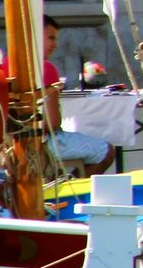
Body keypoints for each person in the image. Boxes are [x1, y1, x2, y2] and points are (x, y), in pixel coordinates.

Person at [38, 19, 115, 176]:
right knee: (106, 151)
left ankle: (64, 185)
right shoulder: (46, 69)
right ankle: (72, 193)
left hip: (6, 147)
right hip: (40, 145)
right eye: (51, 38)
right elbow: (52, 123)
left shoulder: (3, 65)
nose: (55, 44)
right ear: (36, 37)